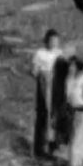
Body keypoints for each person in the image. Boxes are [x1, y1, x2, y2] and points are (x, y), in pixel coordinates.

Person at [30, 29, 63, 158]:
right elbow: (34, 71)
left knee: (56, 115)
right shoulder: (40, 53)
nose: (54, 43)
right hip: (44, 86)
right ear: (46, 41)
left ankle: (54, 145)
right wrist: (42, 74)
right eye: (52, 41)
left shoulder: (59, 54)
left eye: (56, 41)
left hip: (57, 87)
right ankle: (40, 148)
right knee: (44, 115)